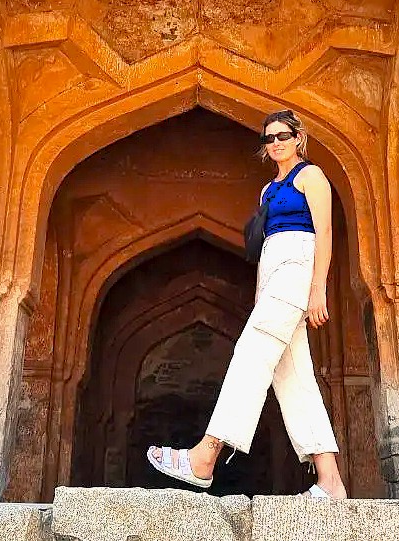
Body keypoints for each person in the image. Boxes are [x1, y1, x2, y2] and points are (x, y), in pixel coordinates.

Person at [146, 109, 348, 500]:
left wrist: (318, 289)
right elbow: (264, 248)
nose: (275, 143)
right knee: (293, 376)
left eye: (283, 136)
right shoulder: (267, 190)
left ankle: (207, 453)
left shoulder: (311, 176)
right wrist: (259, 295)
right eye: (269, 138)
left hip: (297, 265)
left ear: (298, 137)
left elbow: (323, 231)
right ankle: (330, 479)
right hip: (273, 271)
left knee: (251, 354)